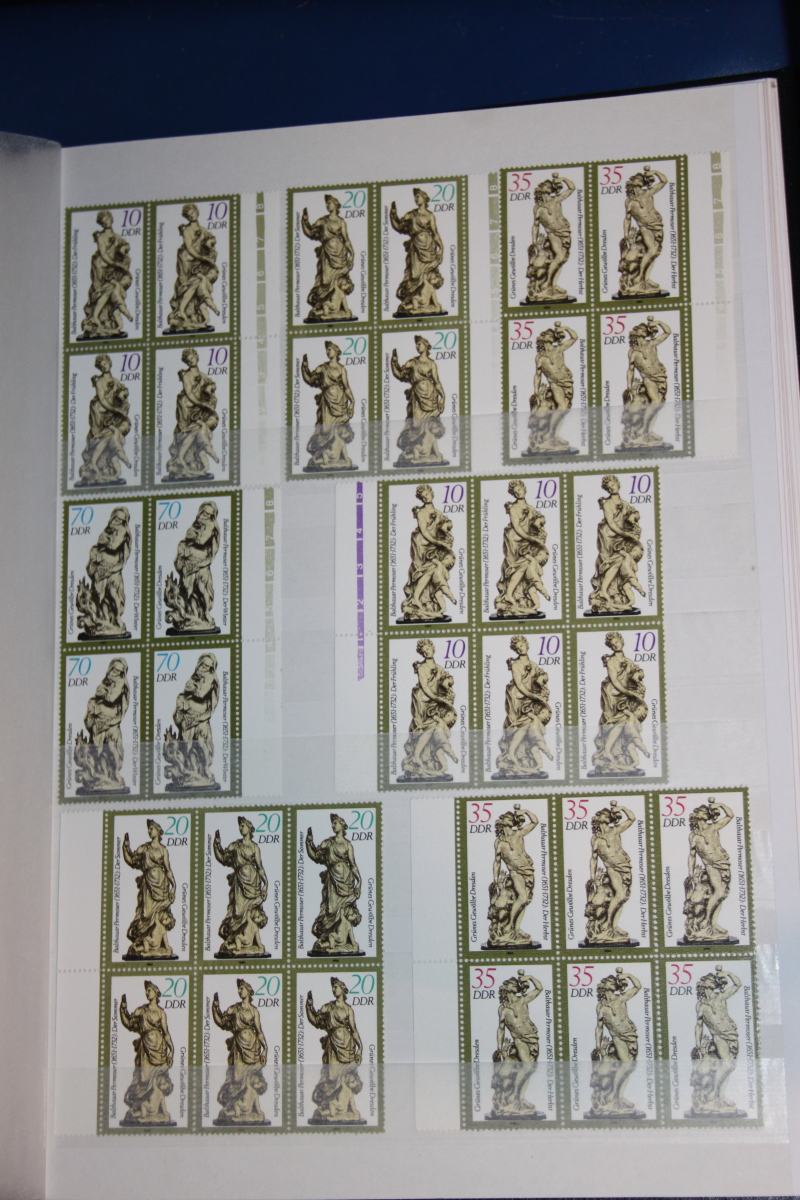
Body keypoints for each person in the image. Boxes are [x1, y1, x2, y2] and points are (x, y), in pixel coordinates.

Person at [590, 632, 650, 775]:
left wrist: (638, 675)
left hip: (626, 697)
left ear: (622, 641)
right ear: (610, 647)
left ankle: (620, 755)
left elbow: (639, 672)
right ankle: (609, 753)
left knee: (625, 723)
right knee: (614, 722)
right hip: (613, 696)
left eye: (617, 642)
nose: (616, 645)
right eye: (613, 644)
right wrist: (628, 692)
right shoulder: (611, 661)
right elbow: (615, 681)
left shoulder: (628, 661)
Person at [306, 978, 364, 1124]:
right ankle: (328, 1104)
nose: (333, 989)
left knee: (346, 1076)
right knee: (332, 1076)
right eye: (333, 987)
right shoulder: (328, 1007)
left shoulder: (348, 1009)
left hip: (347, 1046)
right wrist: (308, 1006)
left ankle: (343, 1106)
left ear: (343, 989)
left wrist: (360, 1048)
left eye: (336, 987)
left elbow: (354, 1030)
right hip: (333, 1045)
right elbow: (315, 1021)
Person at [494, 635, 553, 779]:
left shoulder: (533, 665)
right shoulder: (516, 665)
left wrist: (542, 678)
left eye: (522, 645)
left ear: (527, 645)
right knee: (519, 726)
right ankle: (515, 756)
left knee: (530, 727)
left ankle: (526, 758)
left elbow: (544, 675)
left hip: (531, 701)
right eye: (518, 647)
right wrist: (534, 696)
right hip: (518, 700)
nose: (521, 648)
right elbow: (519, 685)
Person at [399, 639, 458, 780]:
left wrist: (447, 681)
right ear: (422, 653)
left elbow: (449, 679)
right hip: (423, 704)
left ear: (433, 648)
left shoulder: (439, 668)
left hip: (436, 704)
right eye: (424, 651)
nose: (427, 652)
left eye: (428, 649)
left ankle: (430, 762)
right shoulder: (422, 668)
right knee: (425, 728)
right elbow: (425, 688)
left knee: (435, 729)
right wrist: (439, 699)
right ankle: (418, 759)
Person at [212, 979, 269, 1124]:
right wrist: (215, 1008)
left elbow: (259, 1032)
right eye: (239, 989)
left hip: (253, 1048)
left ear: (248, 991)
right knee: (237, 1077)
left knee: (251, 1077)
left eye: (242, 988)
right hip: (238, 1047)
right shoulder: (234, 1009)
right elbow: (221, 1022)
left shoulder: (254, 1011)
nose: (239, 991)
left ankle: (249, 1107)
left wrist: (265, 1049)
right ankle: (233, 1105)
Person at [587, 475, 646, 614]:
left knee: (621, 562)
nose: (612, 488)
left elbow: (635, 514)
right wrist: (625, 534)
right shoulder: (607, 504)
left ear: (618, 484)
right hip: (609, 537)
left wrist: (633, 517)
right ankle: (606, 592)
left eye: (613, 485)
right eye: (609, 487)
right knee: (611, 562)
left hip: (622, 538)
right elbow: (611, 524)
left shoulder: (624, 503)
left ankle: (615, 593)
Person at [119, 981, 175, 1125]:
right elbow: (129, 1023)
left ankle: (155, 1109)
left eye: (149, 990)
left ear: (156, 993)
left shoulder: (161, 1013)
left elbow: (166, 1033)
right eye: (146, 990)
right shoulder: (141, 1010)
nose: (147, 992)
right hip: (145, 1048)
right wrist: (122, 1009)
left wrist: (172, 1051)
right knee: (144, 1078)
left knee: (157, 1079)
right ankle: (139, 1106)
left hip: (159, 1049)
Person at [306, 814, 363, 955]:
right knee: (331, 910)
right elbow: (315, 856)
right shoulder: (328, 843)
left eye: (335, 823)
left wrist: (359, 882)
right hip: (332, 881)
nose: (333, 825)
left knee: (344, 911)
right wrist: (308, 842)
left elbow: (353, 865)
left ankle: (342, 940)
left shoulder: (348, 845)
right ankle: (327, 937)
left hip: (347, 881)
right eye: (332, 823)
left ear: (342, 825)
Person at [213, 817, 269, 956]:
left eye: (242, 825)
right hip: (239, 883)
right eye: (240, 826)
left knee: (251, 912)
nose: (240, 828)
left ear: (249, 828)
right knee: (238, 912)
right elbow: (223, 858)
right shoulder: (235, 845)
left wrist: (266, 884)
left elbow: (260, 867)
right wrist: (216, 845)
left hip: (253, 883)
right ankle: (233, 938)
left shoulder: (255, 847)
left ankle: (248, 941)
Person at [494, 480, 550, 618]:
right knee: (517, 566)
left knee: (527, 566)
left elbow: (540, 520)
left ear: (524, 489)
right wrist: (531, 538)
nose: (518, 493)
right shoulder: (513, 508)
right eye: (516, 492)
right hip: (515, 542)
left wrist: (540, 522)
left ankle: (522, 597)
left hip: (528, 543)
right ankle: (513, 596)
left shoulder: (531, 508)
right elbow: (517, 528)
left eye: (520, 490)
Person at [122, 819, 177, 958]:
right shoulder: (144, 848)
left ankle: (157, 944)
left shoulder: (163, 850)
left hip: (162, 886)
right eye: (149, 829)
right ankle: (141, 941)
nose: (149, 831)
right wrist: (125, 847)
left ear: (158, 831)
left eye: (151, 829)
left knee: (160, 915)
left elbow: (168, 870)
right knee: (146, 915)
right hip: (148, 886)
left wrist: (174, 886)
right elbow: (132, 860)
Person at [401, 484, 456, 622]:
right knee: (424, 570)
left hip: (434, 547)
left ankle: (429, 601)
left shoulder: (438, 512)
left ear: (432, 493)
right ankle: (419, 599)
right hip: (422, 547)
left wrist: (446, 525)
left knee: (434, 570)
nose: (426, 497)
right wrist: (439, 543)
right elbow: (424, 532)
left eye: (427, 494)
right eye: (423, 496)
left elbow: (448, 523)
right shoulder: (421, 513)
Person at [76, 506, 132, 639]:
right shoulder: (108, 530)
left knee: (114, 594)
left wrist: (105, 542)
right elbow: (100, 542)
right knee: (99, 595)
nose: (117, 521)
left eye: (121, 519)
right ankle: (101, 620)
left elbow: (112, 545)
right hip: (102, 570)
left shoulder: (122, 530)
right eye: (116, 518)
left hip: (113, 570)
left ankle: (116, 618)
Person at [584, 800, 636, 943]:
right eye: (605, 814)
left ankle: (613, 926)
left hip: (625, 866)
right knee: (620, 894)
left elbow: (631, 818)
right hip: (612, 869)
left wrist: (622, 807)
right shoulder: (595, 839)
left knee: (622, 897)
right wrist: (593, 876)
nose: (608, 815)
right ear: (599, 818)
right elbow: (594, 859)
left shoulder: (615, 830)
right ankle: (607, 923)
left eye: (608, 814)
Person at [392, 336, 448, 465]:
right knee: (416, 424)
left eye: (419, 344)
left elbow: (437, 382)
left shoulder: (432, 364)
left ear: (426, 345)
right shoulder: (412, 362)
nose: (417, 346)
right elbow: (400, 375)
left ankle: (428, 451)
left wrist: (443, 398)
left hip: (431, 398)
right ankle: (413, 449)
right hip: (417, 397)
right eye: (416, 344)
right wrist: (394, 362)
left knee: (429, 425)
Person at [390, 188, 445, 316]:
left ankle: (426, 301)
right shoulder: (411, 214)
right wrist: (393, 214)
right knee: (414, 275)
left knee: (428, 275)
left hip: (429, 248)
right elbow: (399, 226)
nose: (416, 199)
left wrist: (441, 248)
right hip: (416, 249)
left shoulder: (430, 215)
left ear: (424, 198)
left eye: (418, 196)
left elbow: (435, 233)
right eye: (415, 197)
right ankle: (412, 300)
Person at [487, 805, 538, 946]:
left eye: (512, 817)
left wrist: (526, 811)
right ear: (502, 821)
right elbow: (497, 862)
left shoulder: (518, 834)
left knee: (524, 900)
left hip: (528, 870)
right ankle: (509, 925)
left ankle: (516, 928)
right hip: (515, 872)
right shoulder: (499, 842)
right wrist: (495, 878)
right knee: (522, 897)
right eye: (508, 817)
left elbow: (535, 822)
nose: (511, 818)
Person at [302, 341, 357, 470]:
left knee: (339, 430)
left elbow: (346, 387)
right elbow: (310, 380)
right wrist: (304, 368)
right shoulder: (322, 368)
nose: (327, 352)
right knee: (325, 430)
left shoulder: (342, 369)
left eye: (330, 349)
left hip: (340, 402)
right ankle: (322, 454)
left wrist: (352, 402)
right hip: (327, 402)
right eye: (326, 350)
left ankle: (337, 456)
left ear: (336, 351)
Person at [301, 195, 356, 322]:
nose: (327, 205)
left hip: (340, 255)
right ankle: (323, 305)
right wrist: (304, 221)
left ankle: (335, 307)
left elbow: (346, 240)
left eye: (329, 203)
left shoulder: (341, 222)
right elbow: (311, 232)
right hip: (327, 254)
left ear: (336, 205)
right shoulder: (322, 221)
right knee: (325, 281)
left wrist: (352, 254)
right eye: (326, 203)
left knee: (338, 281)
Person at [167, 203, 220, 332]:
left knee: (197, 284)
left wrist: (210, 243)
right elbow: (189, 248)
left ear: (197, 212)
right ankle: (185, 313)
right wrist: (202, 258)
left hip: (199, 262)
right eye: (189, 214)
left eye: (193, 212)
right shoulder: (187, 230)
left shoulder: (203, 230)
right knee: (187, 285)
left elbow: (211, 240)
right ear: (187, 217)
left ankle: (193, 313)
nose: (192, 215)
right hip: (187, 261)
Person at [80, 211, 133, 339]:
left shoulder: (116, 236)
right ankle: (98, 318)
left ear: (111, 219)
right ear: (101, 224)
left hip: (113, 269)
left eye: (107, 220)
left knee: (113, 289)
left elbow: (125, 247)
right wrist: (116, 264)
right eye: (103, 222)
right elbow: (104, 255)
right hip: (102, 269)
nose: (106, 223)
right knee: (102, 291)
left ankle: (106, 319)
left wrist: (124, 249)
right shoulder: (101, 238)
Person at [526, 174, 576, 302]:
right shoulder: (537, 208)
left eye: (550, 186)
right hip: (553, 234)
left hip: (565, 232)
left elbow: (572, 188)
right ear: (541, 189)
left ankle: (553, 284)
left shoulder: (556, 200)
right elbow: (535, 225)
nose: (549, 186)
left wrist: (563, 179)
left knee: (561, 259)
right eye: (546, 185)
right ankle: (547, 283)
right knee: (559, 257)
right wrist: (534, 241)